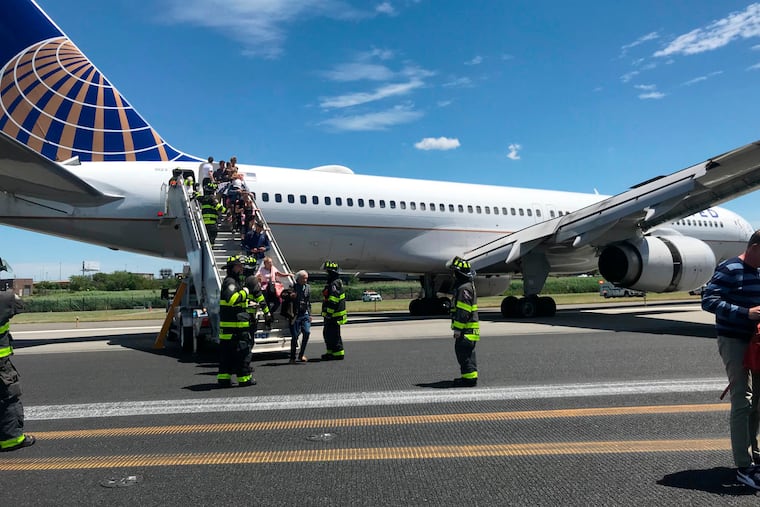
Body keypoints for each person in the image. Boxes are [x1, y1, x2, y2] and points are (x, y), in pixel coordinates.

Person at [702, 230, 760, 489]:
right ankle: (743, 466)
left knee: (758, 400)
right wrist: (745, 313)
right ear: (755, 247)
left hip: (758, 342)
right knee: (742, 399)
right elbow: (709, 300)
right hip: (735, 341)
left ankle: (756, 457)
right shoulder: (730, 268)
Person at [0, 278, 35, 452]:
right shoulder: (5, 299)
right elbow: (20, 305)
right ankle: (11, 440)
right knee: (7, 398)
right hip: (0, 363)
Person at [217, 255, 255, 388]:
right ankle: (244, 380)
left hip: (231, 329)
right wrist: (245, 292)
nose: (242, 268)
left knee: (227, 357)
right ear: (232, 268)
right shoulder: (231, 282)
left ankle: (224, 379)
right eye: (239, 266)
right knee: (243, 354)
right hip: (235, 330)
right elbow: (232, 299)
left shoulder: (233, 281)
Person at [447, 256, 479, 387]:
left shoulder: (463, 289)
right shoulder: (467, 287)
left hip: (466, 330)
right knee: (467, 354)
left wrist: (458, 329)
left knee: (464, 354)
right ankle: (469, 378)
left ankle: (469, 380)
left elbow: (463, 311)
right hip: (469, 330)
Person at [241, 256, 272, 344]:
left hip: (239, 313)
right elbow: (260, 298)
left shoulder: (238, 279)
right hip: (250, 314)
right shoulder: (252, 280)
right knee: (249, 340)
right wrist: (267, 312)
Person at [320, 260, 346, 360]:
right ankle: (330, 352)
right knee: (328, 334)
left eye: (327, 272)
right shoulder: (333, 282)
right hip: (331, 315)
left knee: (333, 335)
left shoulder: (335, 283)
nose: (326, 274)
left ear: (331, 272)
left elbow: (333, 300)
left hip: (334, 316)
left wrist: (328, 313)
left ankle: (338, 354)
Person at [284, 270, 311, 364]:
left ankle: (301, 354)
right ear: (298, 279)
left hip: (305, 314)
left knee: (307, 332)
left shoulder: (308, 287)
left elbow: (308, 302)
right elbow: (283, 295)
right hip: (295, 315)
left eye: (306, 278)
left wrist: (310, 314)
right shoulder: (293, 287)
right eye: (303, 278)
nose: (305, 280)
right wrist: (290, 296)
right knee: (295, 336)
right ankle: (292, 357)